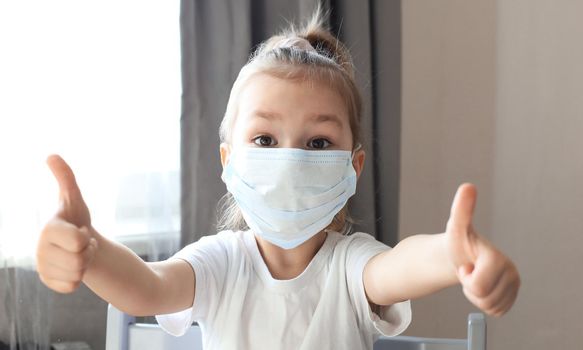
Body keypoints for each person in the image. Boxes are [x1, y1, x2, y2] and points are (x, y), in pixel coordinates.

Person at [35, 9, 520, 350]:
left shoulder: (350, 267)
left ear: (354, 167)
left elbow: (398, 268)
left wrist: (452, 254)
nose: (289, 160)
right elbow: (149, 285)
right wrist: (91, 253)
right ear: (229, 161)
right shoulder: (221, 264)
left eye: (317, 143)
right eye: (265, 140)